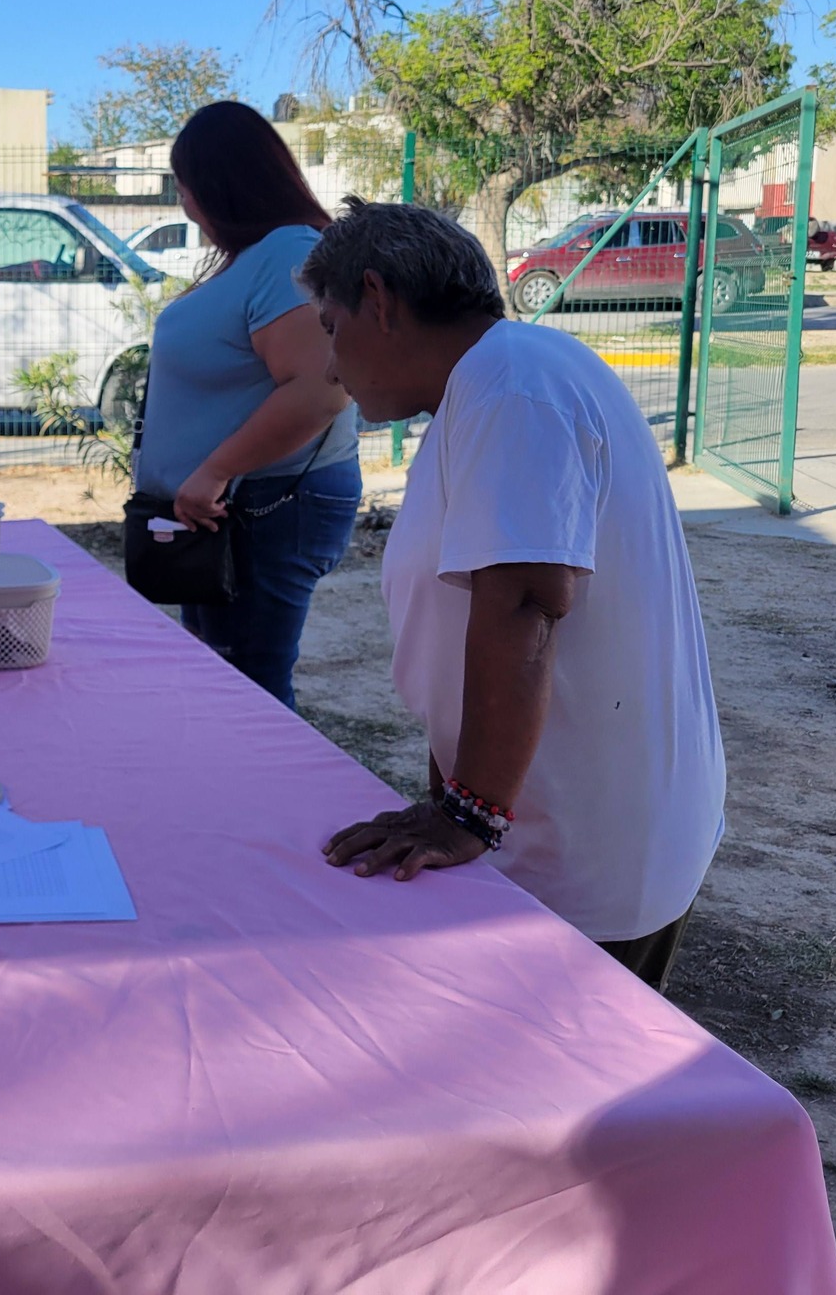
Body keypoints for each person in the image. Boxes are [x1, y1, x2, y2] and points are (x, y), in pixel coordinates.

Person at [304, 198, 726, 990]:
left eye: (331, 326)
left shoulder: (512, 387)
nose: (329, 365)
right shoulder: (493, 384)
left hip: (585, 850)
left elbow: (523, 605)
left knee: (573, 1099)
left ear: (380, 301)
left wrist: (466, 816)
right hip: (552, 825)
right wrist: (454, 798)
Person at [131, 101, 360, 709]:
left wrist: (213, 471)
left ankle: (272, 803)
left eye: (184, 188)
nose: (184, 204)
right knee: (222, 680)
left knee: (246, 686)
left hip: (261, 504)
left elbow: (320, 389)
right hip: (230, 508)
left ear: (216, 186)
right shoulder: (263, 255)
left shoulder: (288, 253)